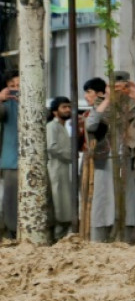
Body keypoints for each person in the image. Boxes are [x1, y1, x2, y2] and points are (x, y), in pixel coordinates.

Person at [83, 75, 135, 242]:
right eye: (115, 88)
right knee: (103, 205)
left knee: (127, 205)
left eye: (122, 88)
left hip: (126, 162)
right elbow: (91, 125)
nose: (120, 92)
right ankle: (99, 242)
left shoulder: (131, 107)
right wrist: (108, 99)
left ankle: (125, 241)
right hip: (104, 162)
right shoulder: (99, 107)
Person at [46, 96, 74, 240]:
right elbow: (51, 147)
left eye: (69, 107)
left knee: (65, 205)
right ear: (55, 111)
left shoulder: (63, 126)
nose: (68, 109)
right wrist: (70, 155)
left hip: (63, 168)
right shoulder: (52, 126)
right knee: (59, 206)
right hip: (56, 169)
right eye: (64, 107)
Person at [0, 71, 18, 238]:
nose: (16, 90)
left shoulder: (33, 101)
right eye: (12, 87)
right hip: (12, 161)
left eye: (20, 86)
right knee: (11, 201)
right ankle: (11, 233)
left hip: (33, 161)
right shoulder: (6, 105)